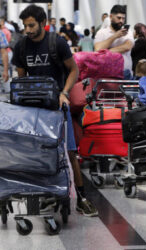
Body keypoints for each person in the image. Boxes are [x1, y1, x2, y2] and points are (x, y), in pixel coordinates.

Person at [11, 5, 98, 216]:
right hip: (33, 107)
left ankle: (81, 197)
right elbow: (21, 78)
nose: (28, 30)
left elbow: (73, 70)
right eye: (25, 26)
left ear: (42, 22)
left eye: (31, 25)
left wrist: (64, 92)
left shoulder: (56, 43)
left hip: (57, 103)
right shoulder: (21, 46)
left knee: (69, 151)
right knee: (35, 149)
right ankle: (42, 191)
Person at [94, 5, 134, 75]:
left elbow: (127, 47)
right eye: (118, 18)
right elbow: (97, 49)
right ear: (111, 17)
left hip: (125, 73)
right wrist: (115, 36)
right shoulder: (101, 33)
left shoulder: (128, 32)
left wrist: (106, 52)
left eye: (123, 18)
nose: (121, 21)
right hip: (106, 73)